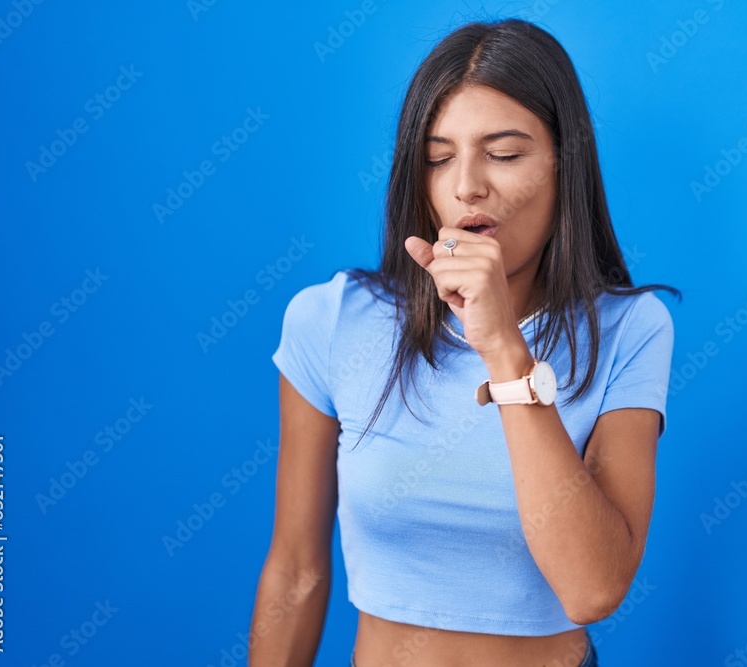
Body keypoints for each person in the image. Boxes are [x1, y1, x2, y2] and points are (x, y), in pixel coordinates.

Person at [248, 17, 680, 667]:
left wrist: (505, 349)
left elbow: (593, 586)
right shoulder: (333, 319)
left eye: (503, 154)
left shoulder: (629, 329)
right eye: (439, 157)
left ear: (566, 165)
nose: (466, 185)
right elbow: (296, 570)